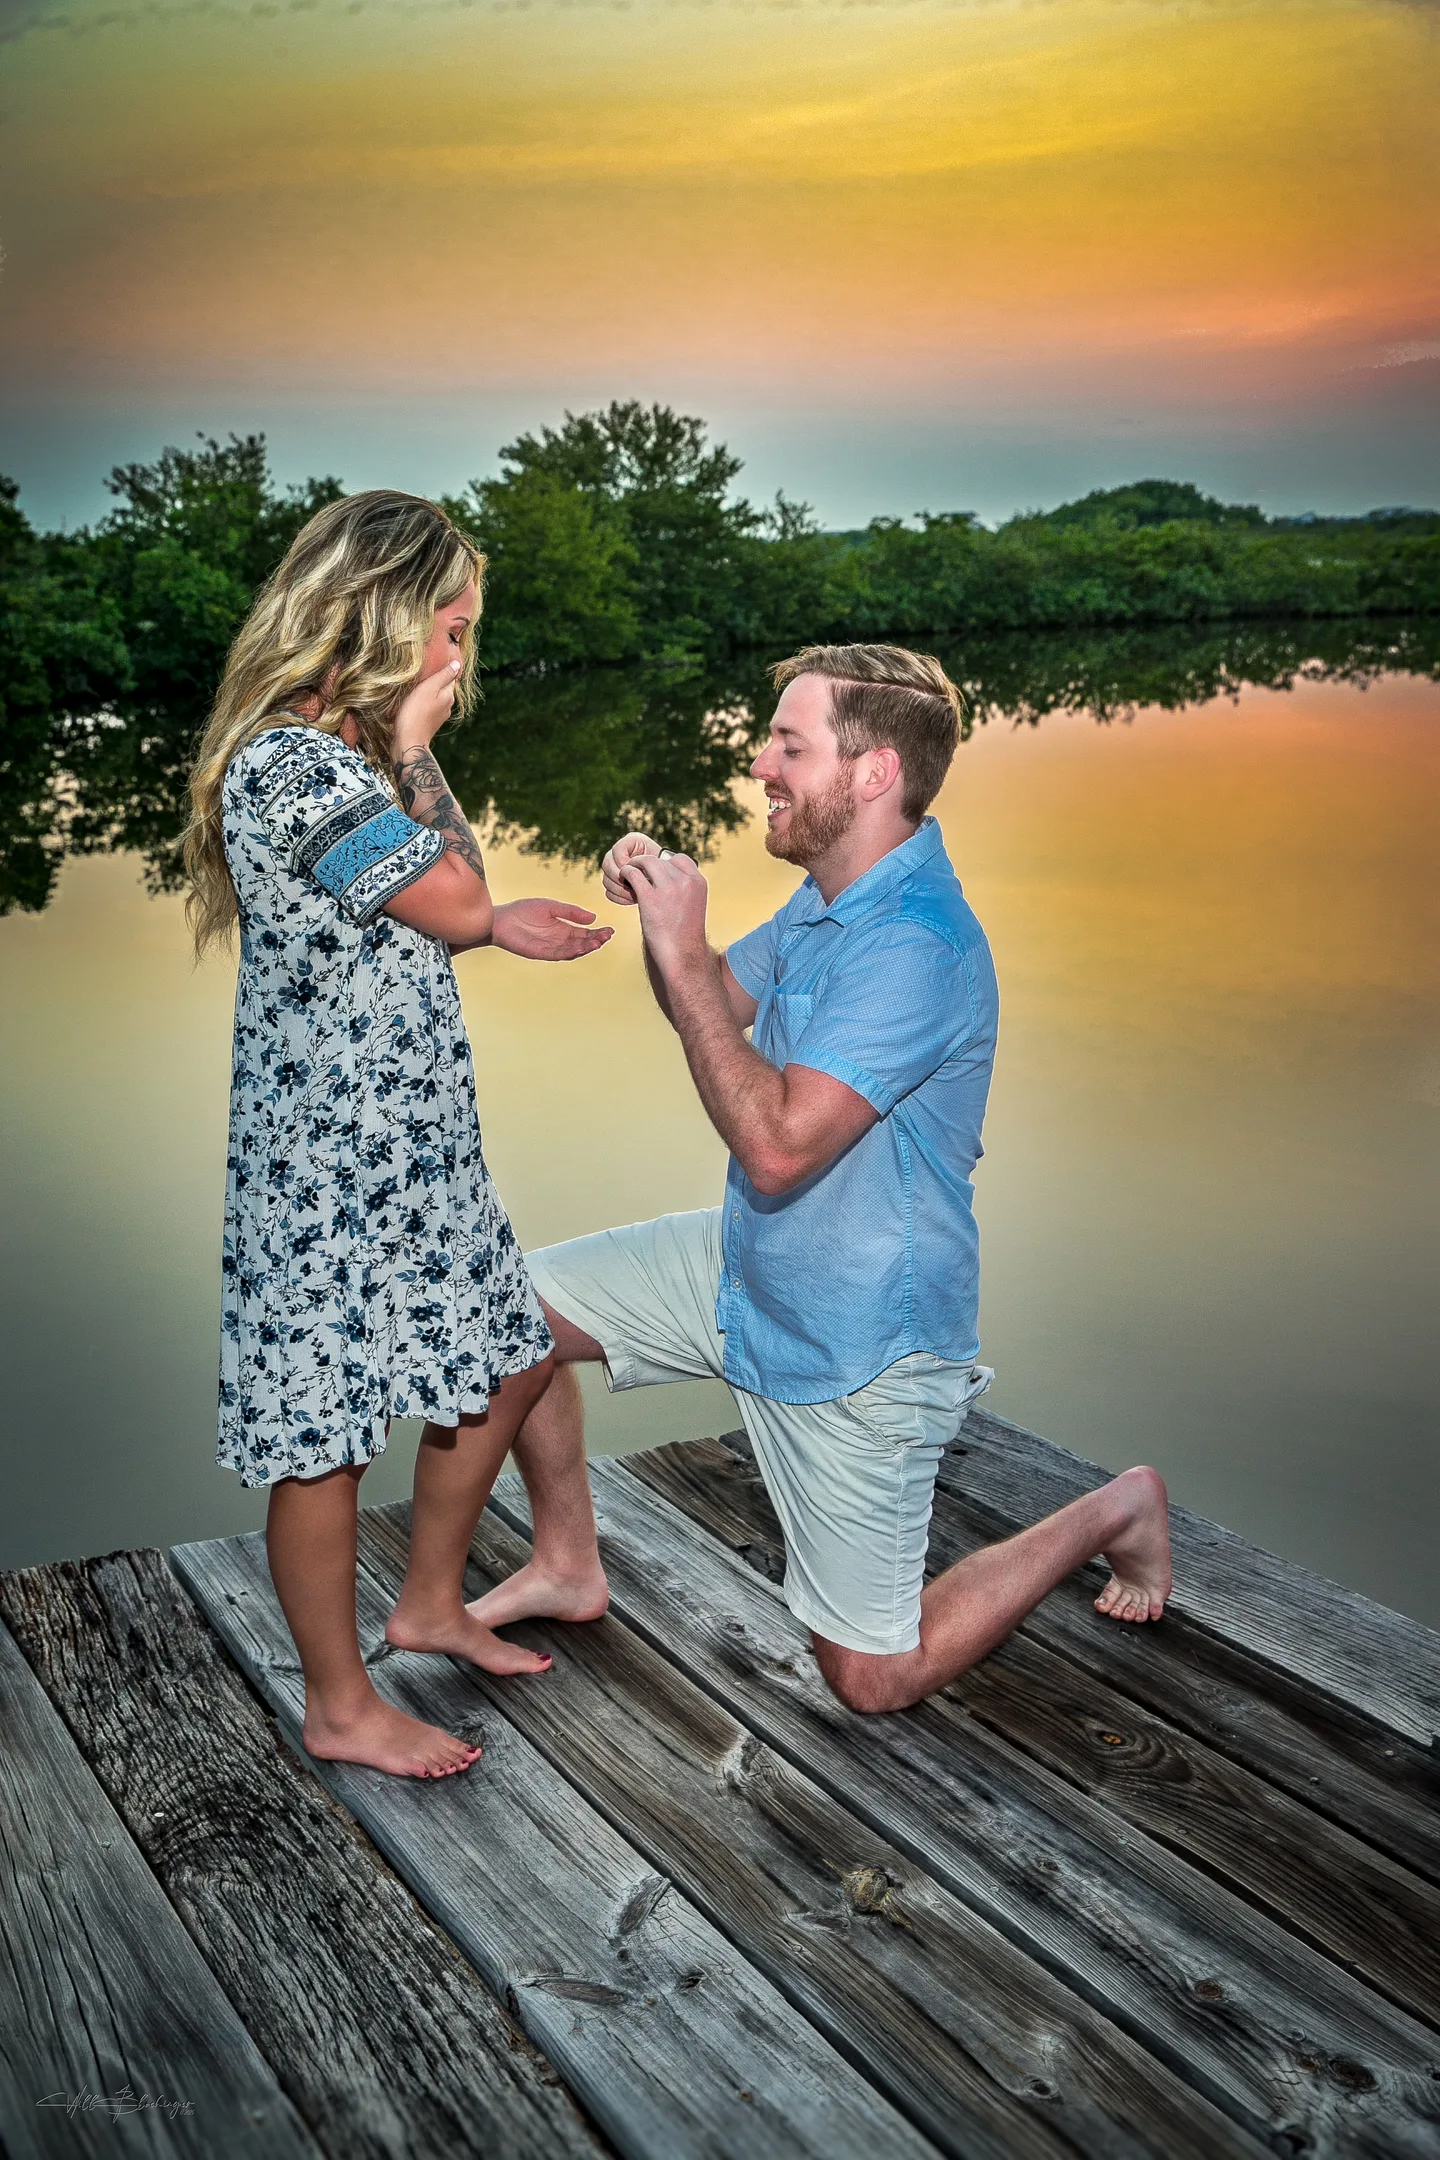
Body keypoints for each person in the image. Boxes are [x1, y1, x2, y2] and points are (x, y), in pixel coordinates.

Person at [468, 642, 1172, 1713]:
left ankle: (1113, 1510)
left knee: (873, 1678)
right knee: (496, 1313)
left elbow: (779, 1147)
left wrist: (684, 950)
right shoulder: (828, 899)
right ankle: (567, 1563)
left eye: (789, 747)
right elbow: (715, 1007)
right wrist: (665, 927)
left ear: (874, 771)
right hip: (750, 1265)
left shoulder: (917, 946)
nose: (759, 765)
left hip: (862, 1346)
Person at [184, 490, 610, 1778]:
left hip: (410, 1147)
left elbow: (445, 901)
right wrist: (417, 748)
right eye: (453, 627)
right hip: (329, 1164)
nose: (460, 655)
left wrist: (446, 832)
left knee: (504, 1344)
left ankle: (430, 1603)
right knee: (323, 1439)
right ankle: (339, 1704)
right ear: (382, 614)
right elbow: (458, 899)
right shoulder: (291, 765)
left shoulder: (340, 763)